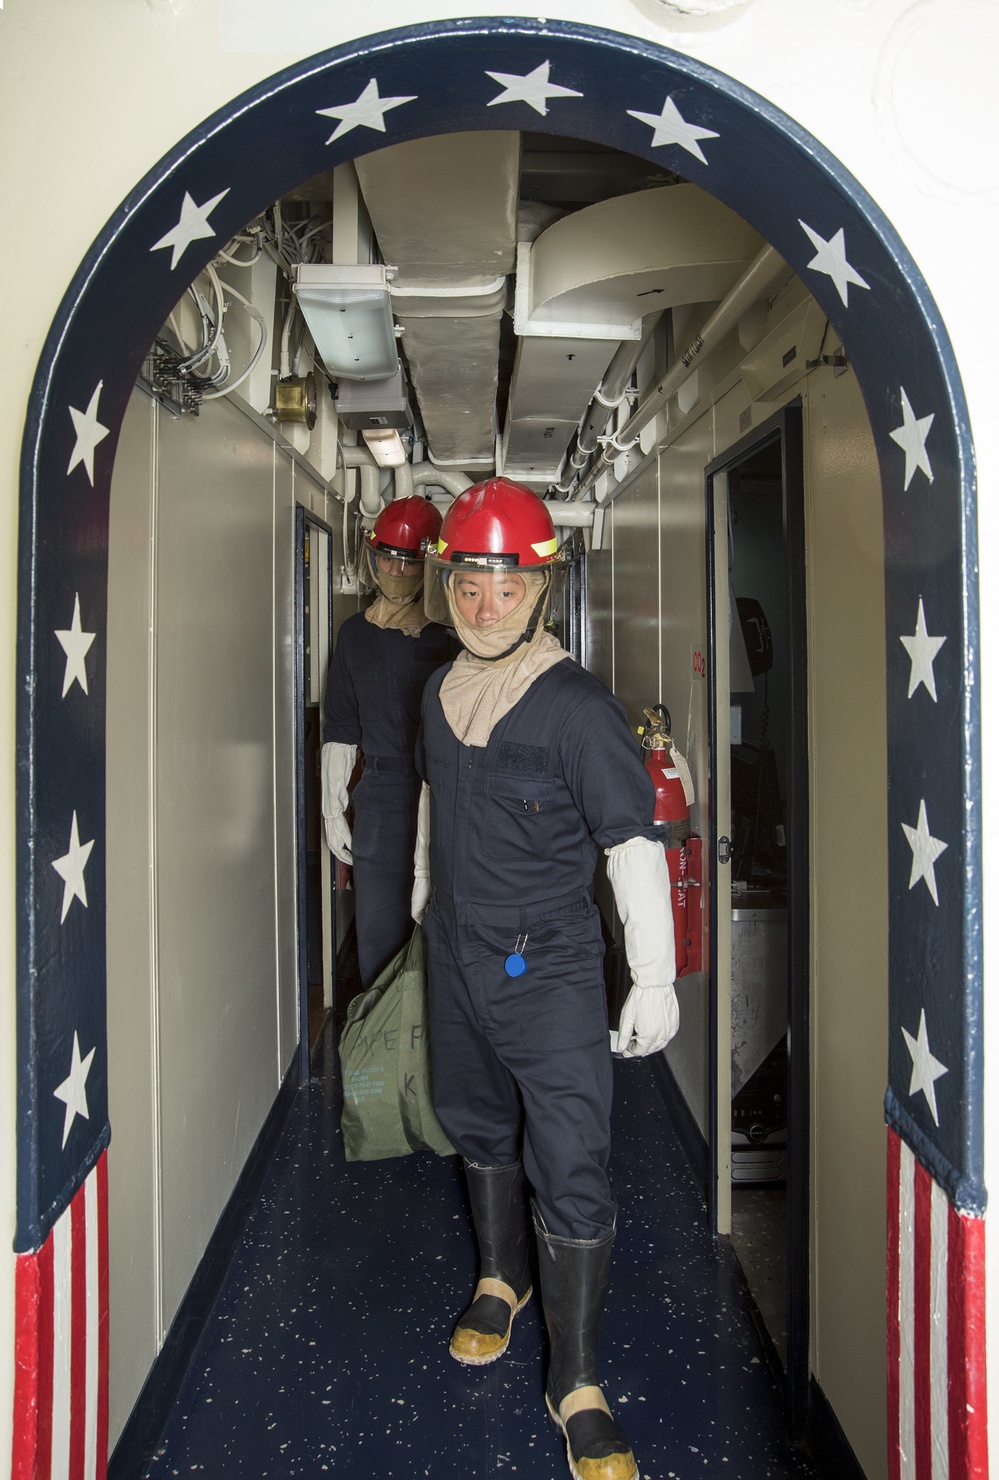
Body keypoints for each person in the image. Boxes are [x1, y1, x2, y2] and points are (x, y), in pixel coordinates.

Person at [411, 477, 679, 1480]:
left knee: (570, 1157)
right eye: (469, 584)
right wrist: (425, 894)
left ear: (541, 588)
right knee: (474, 1118)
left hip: (549, 966)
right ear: (447, 585)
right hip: (454, 949)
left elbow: (631, 844)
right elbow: (438, 800)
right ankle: (501, 1278)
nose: (486, 606)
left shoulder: (577, 708)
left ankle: (576, 1381)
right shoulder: (437, 690)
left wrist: (652, 978)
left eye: (507, 586)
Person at [321, 495, 456, 989]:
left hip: (443, 794)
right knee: (378, 926)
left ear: (430, 565)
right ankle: (381, 1025)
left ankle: (437, 1026)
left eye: (409, 561)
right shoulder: (355, 634)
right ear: (372, 558)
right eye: (387, 558)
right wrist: (332, 807)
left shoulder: (453, 636)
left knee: (442, 922)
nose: (396, 570)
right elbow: (340, 725)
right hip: (379, 797)